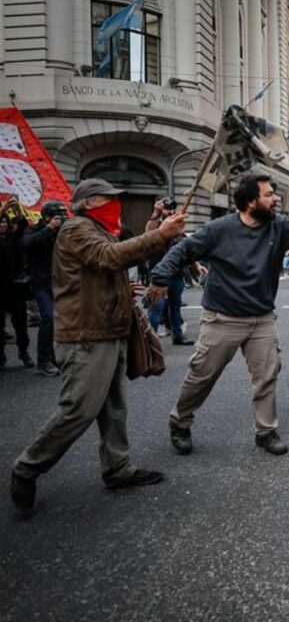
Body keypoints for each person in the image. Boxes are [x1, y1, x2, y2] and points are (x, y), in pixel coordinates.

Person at [150, 174, 289, 457]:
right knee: (202, 375)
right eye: (268, 194)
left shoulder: (279, 225)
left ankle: (266, 432)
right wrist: (161, 277)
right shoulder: (219, 229)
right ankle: (180, 422)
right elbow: (183, 250)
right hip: (222, 318)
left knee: (267, 374)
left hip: (262, 318)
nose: (275, 198)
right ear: (250, 202)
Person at [9, 178, 187, 516]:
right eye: (109, 199)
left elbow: (112, 260)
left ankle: (117, 469)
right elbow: (109, 257)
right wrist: (161, 232)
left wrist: (125, 283)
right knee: (78, 409)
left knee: (114, 408)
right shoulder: (76, 229)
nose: (115, 205)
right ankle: (27, 467)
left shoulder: (98, 229)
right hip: (86, 337)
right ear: (88, 202)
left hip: (107, 331)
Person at [145, 197, 204, 346]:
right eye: (165, 206)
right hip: (159, 273)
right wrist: (156, 213)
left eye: (169, 207)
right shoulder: (157, 225)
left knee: (175, 306)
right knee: (157, 306)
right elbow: (148, 234)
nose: (168, 209)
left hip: (176, 273)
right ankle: (150, 342)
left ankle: (177, 335)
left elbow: (185, 248)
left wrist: (195, 264)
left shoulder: (176, 227)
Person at [21, 200, 67, 376]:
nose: (60, 220)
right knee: (48, 318)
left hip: (59, 283)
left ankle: (54, 357)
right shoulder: (34, 229)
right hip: (40, 283)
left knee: (59, 322)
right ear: (47, 216)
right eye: (57, 217)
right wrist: (48, 229)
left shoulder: (62, 232)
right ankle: (43, 360)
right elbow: (27, 243)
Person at [0, 205, 33, 370]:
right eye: (1, 222)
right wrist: (4, 208)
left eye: (5, 222)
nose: (3, 225)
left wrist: (16, 208)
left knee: (20, 324)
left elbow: (22, 225)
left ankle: (24, 352)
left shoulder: (13, 239)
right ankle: (1, 357)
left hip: (15, 288)